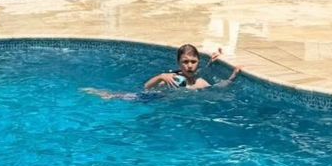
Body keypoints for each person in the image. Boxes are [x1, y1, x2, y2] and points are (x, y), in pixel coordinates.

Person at [84, 43, 242, 100]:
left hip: (179, 100)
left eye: (193, 62)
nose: (189, 66)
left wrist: (233, 76)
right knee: (129, 97)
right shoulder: (174, 77)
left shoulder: (200, 81)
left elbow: (220, 86)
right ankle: (109, 95)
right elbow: (146, 87)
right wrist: (160, 77)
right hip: (158, 98)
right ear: (178, 63)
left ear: (198, 62)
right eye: (185, 62)